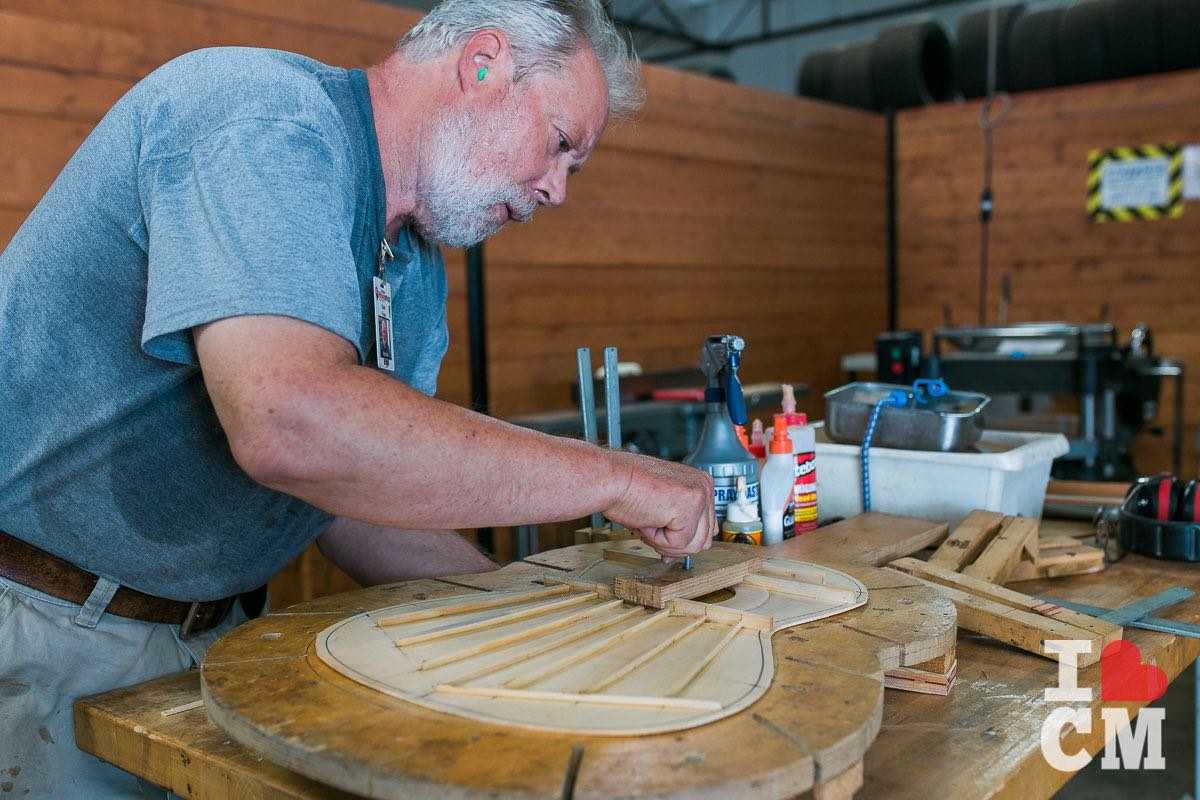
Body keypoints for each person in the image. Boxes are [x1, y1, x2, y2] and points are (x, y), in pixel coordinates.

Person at [0, 0, 716, 795]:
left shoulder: (411, 268)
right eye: (559, 146)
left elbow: (351, 500)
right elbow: (288, 421)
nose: (556, 192)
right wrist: (613, 477)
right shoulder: (262, 117)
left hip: (214, 637)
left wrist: (532, 605)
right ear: (483, 64)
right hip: (44, 633)